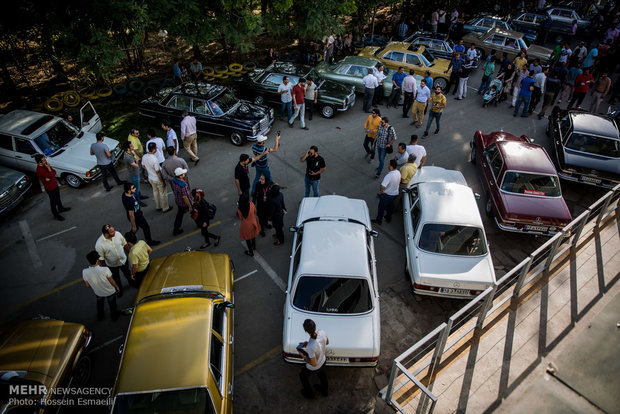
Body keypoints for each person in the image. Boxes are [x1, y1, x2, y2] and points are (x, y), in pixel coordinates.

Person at [95, 224, 132, 296]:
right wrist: (105, 270)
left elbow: (124, 244)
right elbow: (101, 259)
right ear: (106, 234)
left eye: (113, 230)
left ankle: (132, 283)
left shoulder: (117, 234)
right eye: (112, 232)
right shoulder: (99, 244)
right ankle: (119, 290)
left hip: (123, 261)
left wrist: (130, 254)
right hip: (112, 265)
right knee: (116, 278)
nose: (114, 232)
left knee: (127, 273)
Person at [82, 250, 120, 321]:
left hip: (98, 292)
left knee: (99, 304)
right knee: (112, 305)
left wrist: (95, 288)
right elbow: (111, 280)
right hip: (110, 291)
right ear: (97, 260)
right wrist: (117, 287)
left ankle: (100, 316)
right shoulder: (105, 269)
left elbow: (87, 285)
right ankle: (114, 317)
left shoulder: (85, 272)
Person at [298, 319, 329, 399]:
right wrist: (309, 344)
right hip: (323, 360)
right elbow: (327, 342)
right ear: (315, 326)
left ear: (306, 331)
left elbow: (314, 363)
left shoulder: (310, 347)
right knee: (322, 375)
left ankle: (310, 394)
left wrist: (303, 356)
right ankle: (324, 391)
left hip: (315, 367)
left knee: (303, 376)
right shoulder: (322, 332)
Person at [35, 154, 70, 221]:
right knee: (53, 202)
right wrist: (49, 170)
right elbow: (50, 175)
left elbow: (54, 172)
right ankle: (56, 215)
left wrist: (50, 173)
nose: (45, 161)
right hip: (50, 188)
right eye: (44, 160)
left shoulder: (45, 165)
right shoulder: (40, 170)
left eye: (45, 159)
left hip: (54, 184)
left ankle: (61, 208)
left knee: (58, 198)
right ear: (39, 162)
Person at [142, 142, 172, 212]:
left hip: (150, 178)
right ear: (154, 149)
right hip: (157, 179)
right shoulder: (154, 159)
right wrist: (162, 182)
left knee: (155, 192)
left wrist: (149, 170)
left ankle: (158, 206)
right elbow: (158, 172)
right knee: (163, 193)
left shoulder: (144, 156)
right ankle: (165, 207)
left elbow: (143, 166)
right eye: (156, 148)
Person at [372, 159, 401, 225]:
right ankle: (388, 218)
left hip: (387, 195)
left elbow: (383, 186)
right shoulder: (398, 172)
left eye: (389, 164)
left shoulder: (389, 176)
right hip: (395, 194)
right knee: (390, 207)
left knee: (381, 208)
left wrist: (381, 191)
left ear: (391, 166)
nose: (388, 165)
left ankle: (379, 220)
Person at [170, 167, 193, 236]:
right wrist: (190, 206)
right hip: (184, 203)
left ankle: (176, 229)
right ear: (180, 176)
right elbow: (185, 197)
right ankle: (200, 223)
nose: (184, 174)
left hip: (178, 201)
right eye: (183, 174)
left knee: (179, 215)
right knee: (194, 211)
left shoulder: (174, 180)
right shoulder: (183, 185)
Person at [123, 142, 146, 207]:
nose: (133, 146)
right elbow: (136, 165)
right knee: (135, 189)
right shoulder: (128, 157)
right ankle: (138, 201)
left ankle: (140, 196)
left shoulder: (130, 153)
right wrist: (137, 161)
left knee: (137, 187)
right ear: (128, 148)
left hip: (136, 172)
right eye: (131, 146)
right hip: (134, 174)